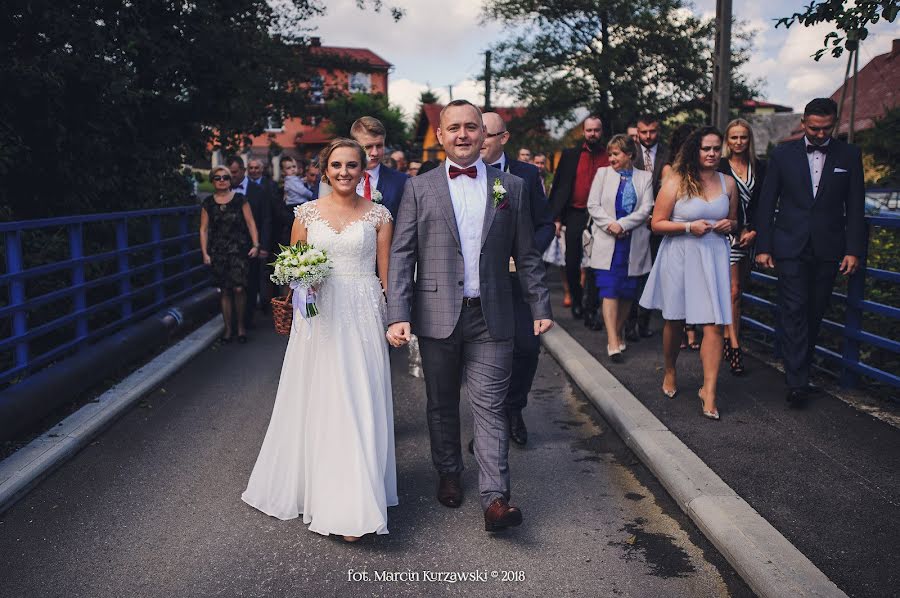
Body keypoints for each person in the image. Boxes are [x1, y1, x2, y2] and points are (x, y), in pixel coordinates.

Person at [386, 100, 552, 533]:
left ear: (485, 134)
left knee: (491, 407)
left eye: (471, 128)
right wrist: (397, 313)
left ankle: (496, 499)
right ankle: (448, 471)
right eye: (453, 128)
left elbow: (527, 254)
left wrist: (540, 306)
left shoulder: (509, 188)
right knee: (441, 404)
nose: (463, 135)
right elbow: (402, 255)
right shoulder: (419, 188)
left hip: (492, 316)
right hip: (437, 313)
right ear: (440, 136)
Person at [242, 138, 397, 542]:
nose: (343, 172)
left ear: (364, 169)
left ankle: (358, 497)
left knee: (359, 396)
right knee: (325, 397)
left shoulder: (380, 215)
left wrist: (397, 320)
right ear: (324, 170)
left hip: (362, 311)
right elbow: (292, 267)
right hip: (319, 315)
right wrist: (299, 278)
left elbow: (387, 276)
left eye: (351, 165)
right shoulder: (306, 213)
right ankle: (328, 492)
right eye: (336, 165)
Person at [754, 97, 865, 407]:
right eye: (814, 128)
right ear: (803, 123)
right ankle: (797, 382)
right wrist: (764, 246)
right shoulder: (782, 154)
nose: (819, 134)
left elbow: (855, 206)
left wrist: (854, 250)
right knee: (794, 310)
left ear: (835, 124)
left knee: (815, 312)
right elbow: (767, 201)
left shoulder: (850, 154)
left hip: (829, 248)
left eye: (826, 129)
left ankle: (801, 371)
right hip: (790, 246)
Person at [639, 126, 738, 421]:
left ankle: (709, 390)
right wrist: (686, 227)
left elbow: (733, 220)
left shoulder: (728, 183)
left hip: (713, 254)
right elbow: (656, 223)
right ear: (695, 150)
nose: (711, 154)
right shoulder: (676, 181)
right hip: (680, 254)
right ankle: (670, 369)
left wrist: (729, 226)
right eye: (706, 148)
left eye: (716, 148)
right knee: (675, 320)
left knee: (714, 325)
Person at [478, 111, 555, 446]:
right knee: (483, 353)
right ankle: (489, 421)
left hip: (517, 278)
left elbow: (546, 224)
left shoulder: (525, 175)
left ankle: (514, 408)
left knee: (526, 348)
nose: (478, 141)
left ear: (504, 138)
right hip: (479, 282)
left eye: (487, 135)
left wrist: (525, 252)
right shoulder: (466, 174)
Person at [586, 135, 654, 362]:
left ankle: (619, 329)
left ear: (629, 155)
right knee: (610, 290)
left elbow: (646, 208)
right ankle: (613, 341)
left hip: (633, 241)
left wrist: (623, 224)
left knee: (627, 293)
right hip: (608, 240)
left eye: (616, 154)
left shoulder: (645, 177)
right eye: (610, 154)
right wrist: (611, 226)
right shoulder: (602, 174)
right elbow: (592, 205)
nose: (611, 158)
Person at [717, 119, 767, 375]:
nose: (738, 142)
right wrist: (738, 228)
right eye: (734, 137)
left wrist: (755, 230)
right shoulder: (720, 166)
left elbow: (764, 203)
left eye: (743, 138)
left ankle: (728, 337)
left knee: (737, 291)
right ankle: (734, 346)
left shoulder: (759, 167)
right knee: (734, 291)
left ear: (749, 140)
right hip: (726, 233)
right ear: (727, 140)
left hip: (749, 237)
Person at [548, 116, 610, 323]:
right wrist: (556, 217)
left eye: (597, 130)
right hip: (574, 214)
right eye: (589, 130)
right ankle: (576, 300)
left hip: (600, 216)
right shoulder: (570, 155)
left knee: (595, 263)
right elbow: (559, 186)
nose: (593, 134)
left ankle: (591, 307)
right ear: (584, 132)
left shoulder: (609, 156)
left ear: (602, 131)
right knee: (571, 262)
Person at [199, 166, 261, 344]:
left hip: (239, 250)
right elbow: (203, 229)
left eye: (225, 177)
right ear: (212, 181)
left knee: (239, 288)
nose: (222, 180)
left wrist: (256, 244)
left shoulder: (240, 199)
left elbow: (251, 223)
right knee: (225, 290)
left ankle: (241, 327)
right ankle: (228, 329)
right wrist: (205, 253)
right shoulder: (208, 204)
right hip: (218, 252)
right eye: (217, 178)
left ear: (230, 180)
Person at [626, 114, 672, 341]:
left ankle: (644, 323)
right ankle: (630, 323)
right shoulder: (630, 152)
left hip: (661, 223)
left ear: (658, 130)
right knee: (634, 275)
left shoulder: (668, 153)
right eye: (643, 132)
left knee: (653, 275)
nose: (647, 136)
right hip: (635, 223)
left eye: (652, 131)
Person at [659, 124, 701, 350]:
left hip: (699, 239)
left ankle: (691, 330)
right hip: (676, 234)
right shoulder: (671, 172)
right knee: (679, 289)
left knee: (693, 287)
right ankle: (682, 331)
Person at [227, 156, 271, 331]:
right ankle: (233, 322)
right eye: (230, 172)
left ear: (243, 171)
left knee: (251, 282)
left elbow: (266, 219)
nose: (232, 176)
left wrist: (263, 245)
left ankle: (247, 319)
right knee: (231, 285)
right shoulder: (224, 188)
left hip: (252, 244)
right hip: (229, 244)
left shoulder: (259, 191)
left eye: (235, 172)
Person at [350, 116, 409, 220]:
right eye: (368, 147)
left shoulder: (402, 182)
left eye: (379, 146)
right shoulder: (335, 180)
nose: (375, 153)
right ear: (354, 145)